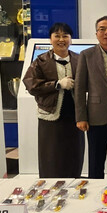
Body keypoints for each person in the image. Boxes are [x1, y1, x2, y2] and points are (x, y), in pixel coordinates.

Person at [23, 22, 84, 178]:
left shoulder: (79, 59)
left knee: (74, 154)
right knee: (51, 155)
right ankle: (50, 185)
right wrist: (57, 84)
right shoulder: (41, 61)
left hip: (75, 116)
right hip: (50, 115)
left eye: (65, 36)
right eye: (57, 36)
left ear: (71, 39)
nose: (61, 39)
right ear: (50, 39)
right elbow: (30, 84)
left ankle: (73, 182)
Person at [74, 15, 107, 179]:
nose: (106, 32)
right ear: (96, 34)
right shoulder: (86, 55)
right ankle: (94, 191)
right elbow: (79, 88)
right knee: (96, 161)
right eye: (102, 29)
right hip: (96, 116)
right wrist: (81, 117)